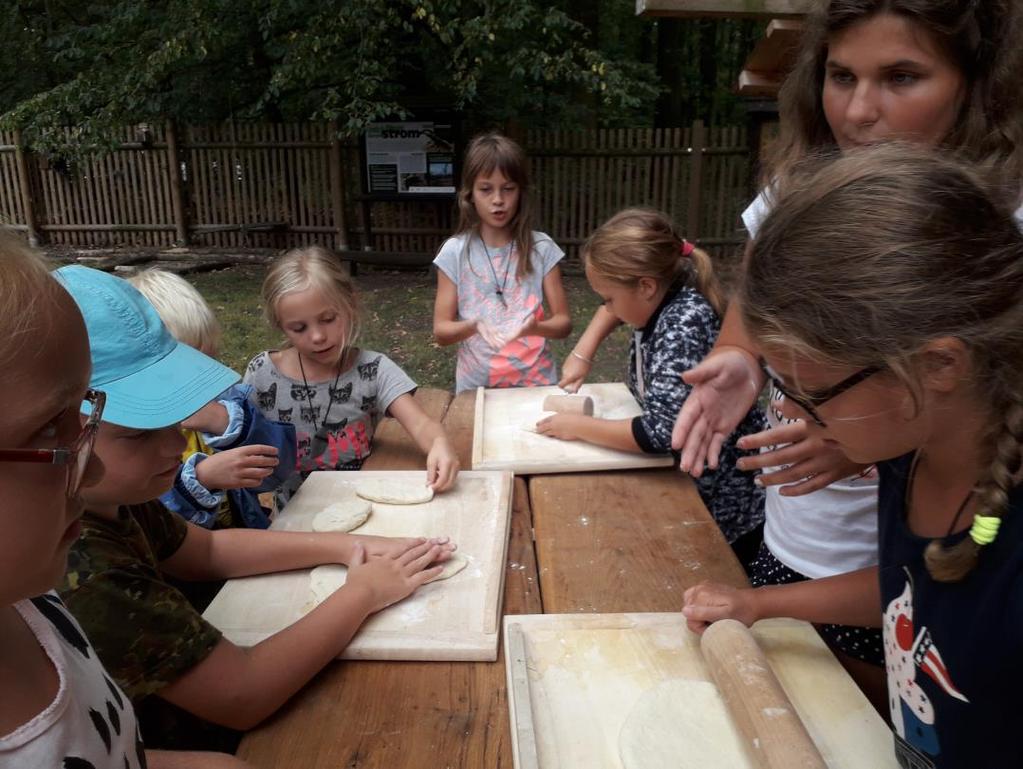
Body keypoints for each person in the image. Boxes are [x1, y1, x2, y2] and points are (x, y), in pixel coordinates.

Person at [669, 0, 1023, 708]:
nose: (858, 111)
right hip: (825, 553)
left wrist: (863, 440)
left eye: (900, 76)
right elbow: (910, 582)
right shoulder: (911, 471)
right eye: (839, 76)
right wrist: (742, 358)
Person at [55, 265, 456, 753]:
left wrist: (351, 545)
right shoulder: (89, 572)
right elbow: (244, 693)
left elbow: (209, 551)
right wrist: (363, 594)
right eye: (141, 431)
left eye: (176, 418)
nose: (177, 441)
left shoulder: (112, 497)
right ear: (54, 432)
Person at [0, 242, 246, 768]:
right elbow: (241, 692)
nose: (89, 469)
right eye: (49, 430)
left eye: (83, 420)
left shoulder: (34, 602)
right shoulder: (80, 578)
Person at [539, 208, 765, 561]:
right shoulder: (662, 298)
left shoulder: (682, 324)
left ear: (645, 286)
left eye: (608, 298)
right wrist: (583, 352)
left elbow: (662, 434)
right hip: (697, 490)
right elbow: (616, 308)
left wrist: (578, 426)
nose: (606, 308)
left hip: (725, 508)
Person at [245, 247, 459, 506]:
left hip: (365, 506)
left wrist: (439, 444)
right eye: (299, 328)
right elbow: (241, 443)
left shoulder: (374, 370)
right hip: (294, 522)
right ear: (280, 325)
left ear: (350, 305)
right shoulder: (262, 374)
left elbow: (422, 425)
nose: (317, 336)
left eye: (327, 319)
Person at [129, 269, 295, 529]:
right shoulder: (130, 430)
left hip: (242, 542)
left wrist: (226, 422)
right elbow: (147, 523)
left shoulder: (225, 400)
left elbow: (277, 469)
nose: (199, 378)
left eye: (207, 363)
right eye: (185, 367)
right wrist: (201, 478)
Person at [433, 132, 572, 394]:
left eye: (508, 189)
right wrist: (473, 325)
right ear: (470, 194)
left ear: (521, 192)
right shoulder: (455, 252)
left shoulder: (541, 248)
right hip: (477, 389)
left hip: (537, 385)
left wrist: (536, 328)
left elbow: (564, 323)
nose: (498, 199)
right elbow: (441, 331)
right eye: (486, 189)